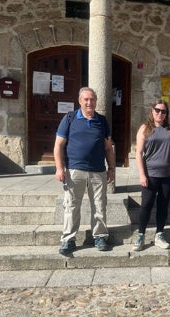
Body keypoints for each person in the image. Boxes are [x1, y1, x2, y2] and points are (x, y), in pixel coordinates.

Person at [54, 87, 115, 255]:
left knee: (99, 205)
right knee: (72, 206)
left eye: (92, 99)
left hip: (98, 171)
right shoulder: (69, 118)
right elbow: (58, 145)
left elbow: (108, 148)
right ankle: (68, 239)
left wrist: (112, 169)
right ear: (80, 101)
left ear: (96, 101)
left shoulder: (102, 121)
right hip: (74, 171)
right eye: (86, 99)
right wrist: (60, 168)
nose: (89, 102)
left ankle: (100, 236)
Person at [133, 99, 170, 251]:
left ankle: (159, 234)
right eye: (157, 110)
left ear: (166, 114)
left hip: (168, 175)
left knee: (163, 205)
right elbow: (138, 153)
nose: (160, 113)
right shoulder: (145, 128)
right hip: (151, 174)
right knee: (146, 205)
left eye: (163, 111)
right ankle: (141, 234)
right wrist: (142, 174)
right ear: (152, 111)